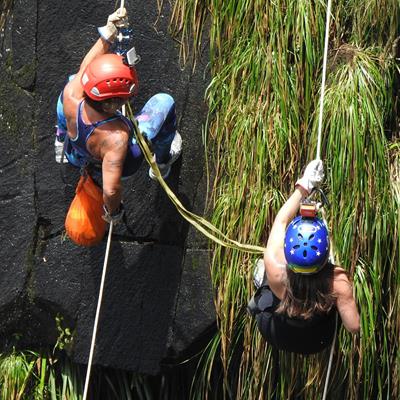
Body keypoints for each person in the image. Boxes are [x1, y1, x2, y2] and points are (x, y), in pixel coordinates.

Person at [54, 7, 182, 223]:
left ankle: (62, 142)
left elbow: (87, 67)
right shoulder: (117, 137)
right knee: (164, 102)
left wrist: (109, 33)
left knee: (70, 82)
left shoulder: (72, 94)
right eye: (124, 98)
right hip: (112, 160)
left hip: (78, 149)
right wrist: (112, 212)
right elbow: (112, 190)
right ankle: (162, 161)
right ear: (110, 104)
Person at [248, 160, 360, 355]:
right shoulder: (338, 283)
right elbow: (353, 327)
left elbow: (282, 219)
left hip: (275, 333)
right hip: (316, 341)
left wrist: (304, 185)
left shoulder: (273, 262)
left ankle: (262, 281)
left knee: (266, 277)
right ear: (326, 253)